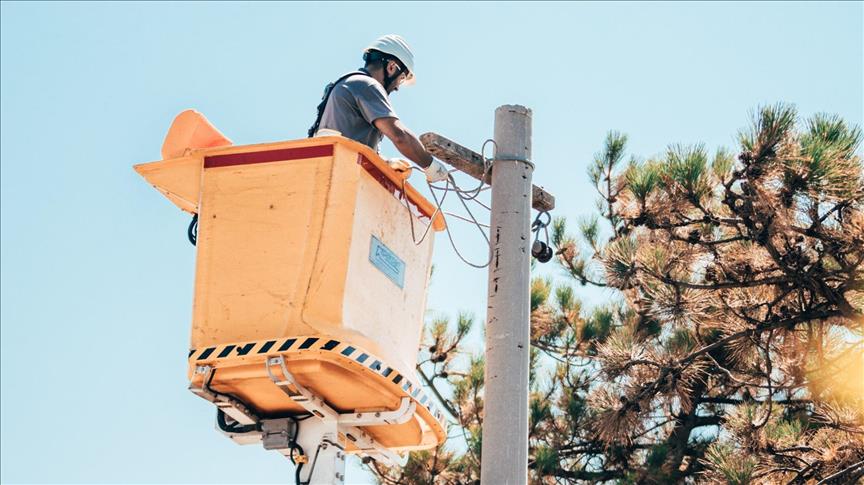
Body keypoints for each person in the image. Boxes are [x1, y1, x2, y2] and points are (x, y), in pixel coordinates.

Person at [309, 34, 449, 183]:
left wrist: (385, 162)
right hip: (339, 176)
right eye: (401, 79)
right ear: (391, 67)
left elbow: (351, 137)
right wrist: (431, 165)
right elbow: (400, 135)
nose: (397, 88)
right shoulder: (367, 85)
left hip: (326, 172)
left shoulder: (351, 83)